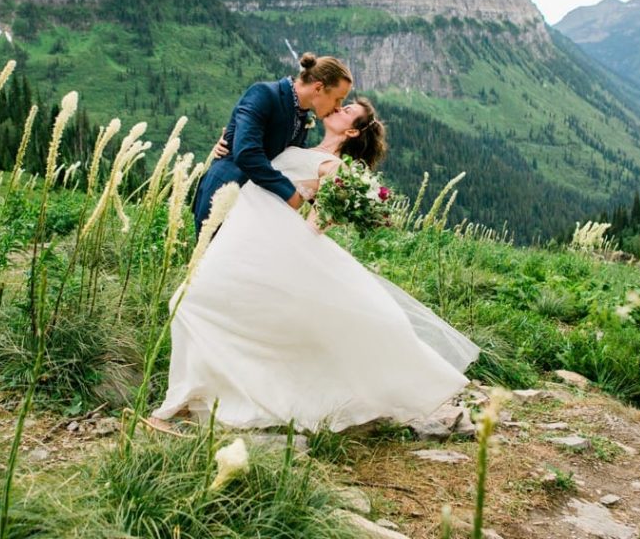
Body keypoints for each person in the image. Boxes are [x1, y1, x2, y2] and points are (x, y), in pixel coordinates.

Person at [153, 96, 479, 431]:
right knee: (196, 303)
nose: (340, 108)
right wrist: (225, 144)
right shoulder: (302, 147)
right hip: (243, 227)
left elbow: (319, 220)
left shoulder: (334, 168)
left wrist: (290, 242)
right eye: (343, 103)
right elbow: (256, 157)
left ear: (353, 133)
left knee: (193, 302)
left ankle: (185, 402)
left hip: (261, 236)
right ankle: (199, 397)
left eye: (348, 111)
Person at [191, 53, 352, 235]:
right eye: (339, 98)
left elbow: (290, 165)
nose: (339, 106)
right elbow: (247, 153)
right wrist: (289, 192)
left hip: (256, 207)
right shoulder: (264, 94)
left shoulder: (302, 117)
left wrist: (339, 199)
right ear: (319, 88)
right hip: (225, 196)